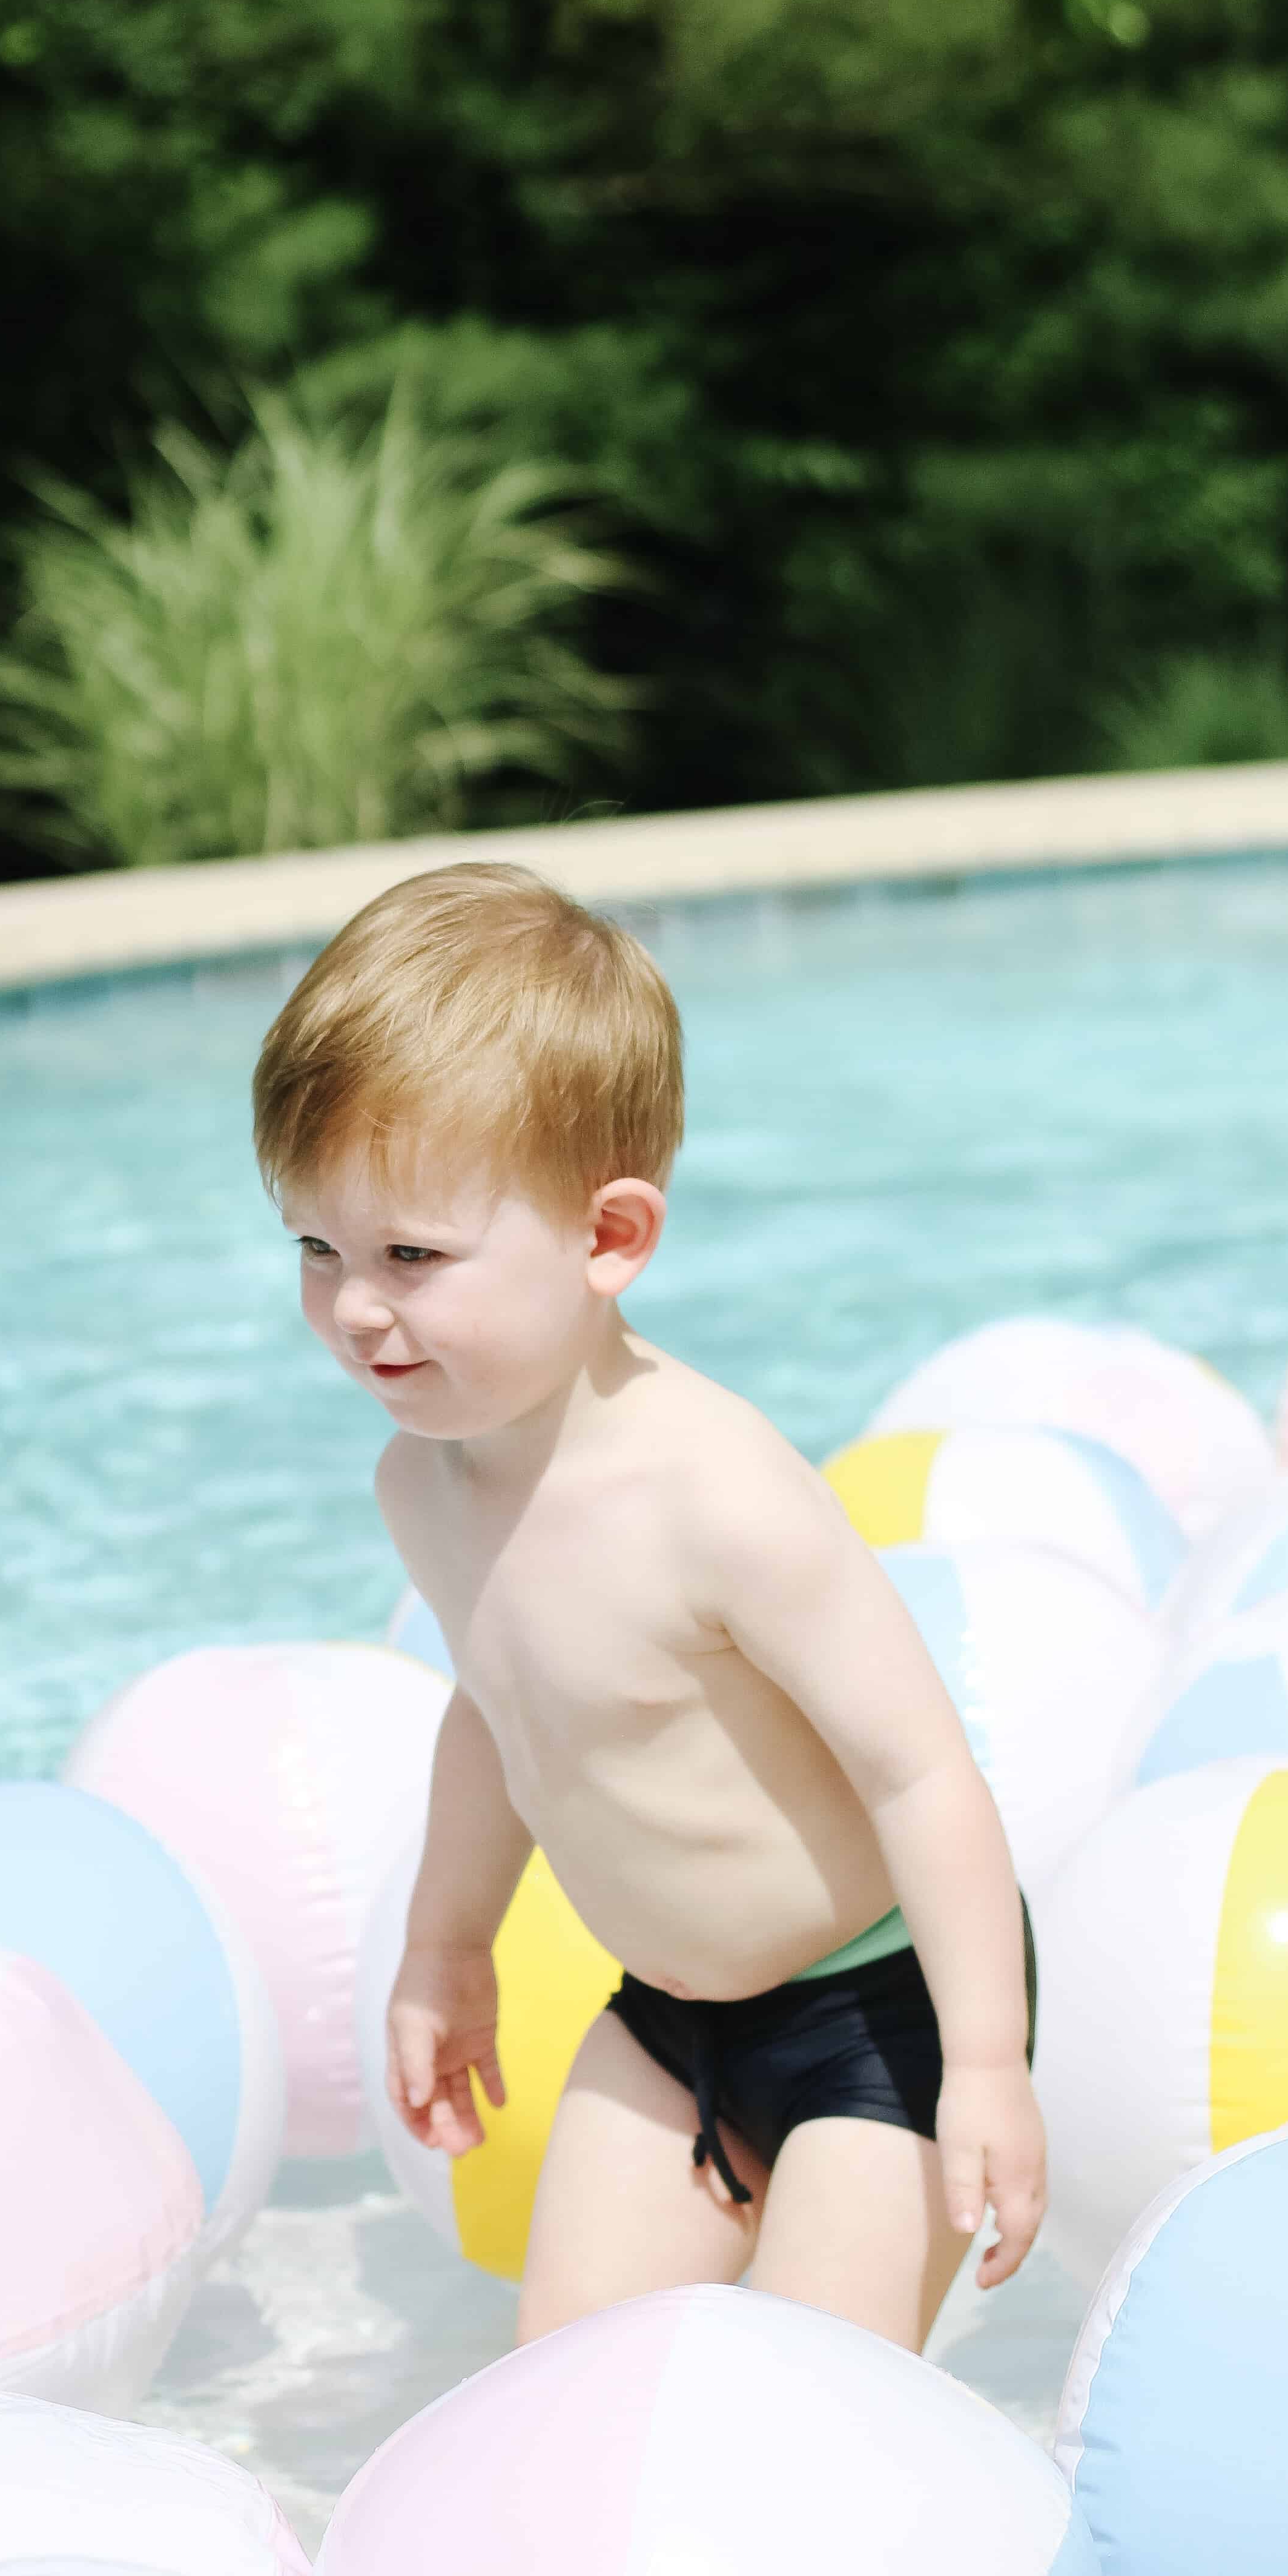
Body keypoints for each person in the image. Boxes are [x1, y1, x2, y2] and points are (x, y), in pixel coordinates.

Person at [252, 860, 1043, 2351]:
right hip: (668, 2026)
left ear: (610, 1240)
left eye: (412, 1255)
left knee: (812, 2408)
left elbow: (920, 1771)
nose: (357, 1307)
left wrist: (988, 2064)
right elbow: (496, 1709)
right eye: (318, 1247)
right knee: (572, 2393)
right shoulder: (424, 1487)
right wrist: (446, 1946)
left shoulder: (717, 1500)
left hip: (884, 2017)